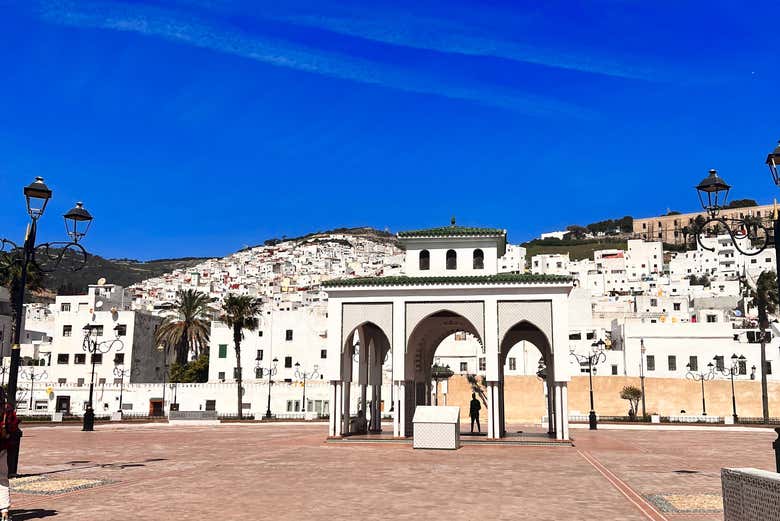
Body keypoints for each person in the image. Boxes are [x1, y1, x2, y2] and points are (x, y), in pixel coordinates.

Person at [0, 388, 19, 521]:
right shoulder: (8, 410)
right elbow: (13, 429)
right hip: (2, 448)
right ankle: (4, 511)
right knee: (2, 479)